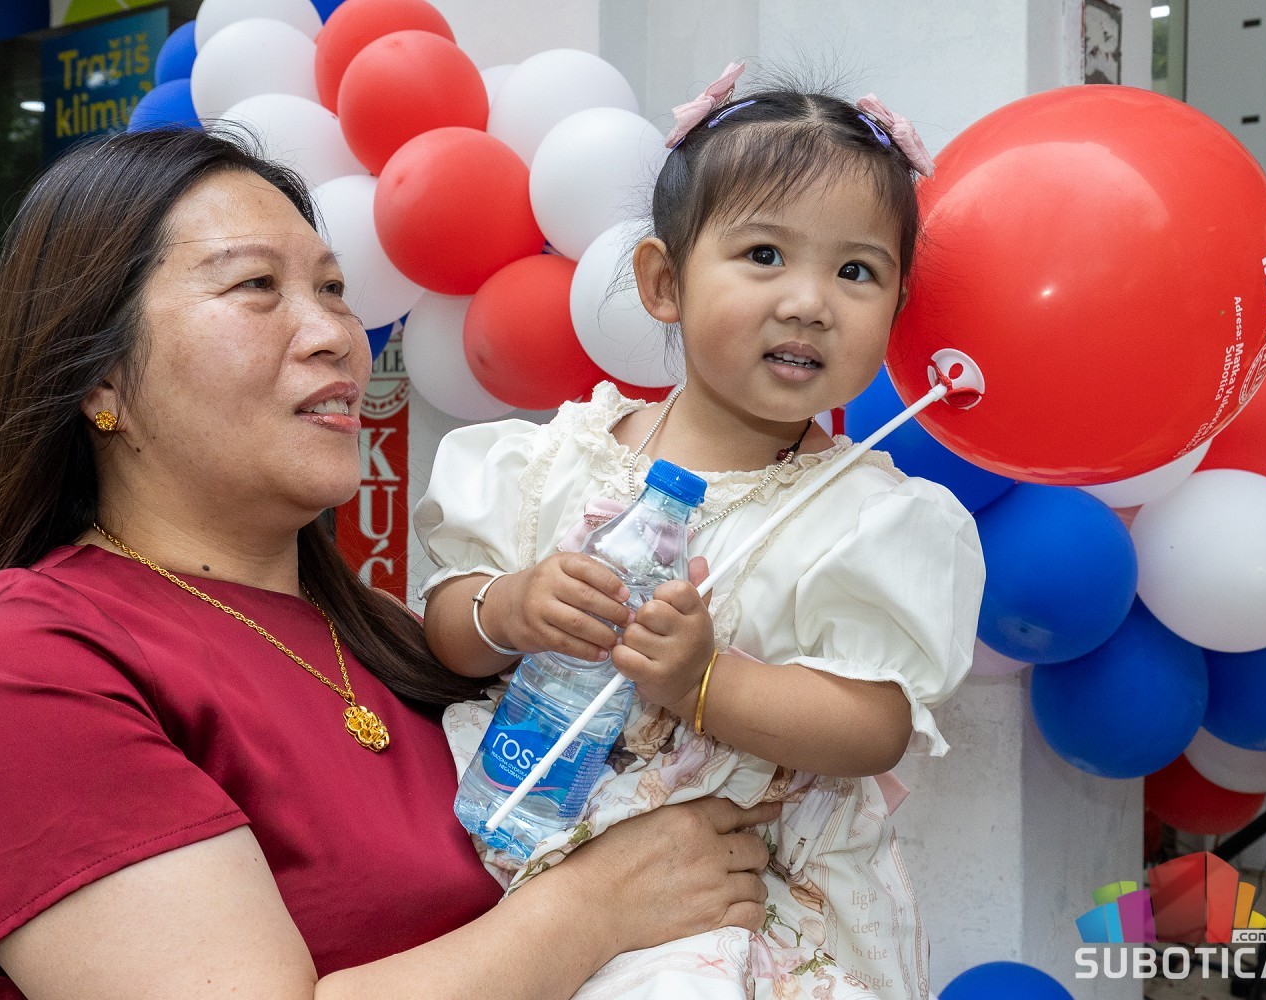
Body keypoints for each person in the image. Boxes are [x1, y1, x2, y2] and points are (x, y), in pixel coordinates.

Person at [0, 126, 782, 1000]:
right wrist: (596, 905)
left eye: (333, 289)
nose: (334, 334)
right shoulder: (20, 665)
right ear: (102, 377)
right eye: (256, 285)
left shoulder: (396, 634)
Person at [416, 66, 985, 1000]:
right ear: (663, 281)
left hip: (744, 896)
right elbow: (445, 628)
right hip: (514, 846)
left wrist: (706, 683)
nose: (809, 302)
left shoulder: (869, 517)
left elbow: (874, 725)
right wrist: (509, 609)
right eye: (764, 254)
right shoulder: (551, 461)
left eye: (856, 271)